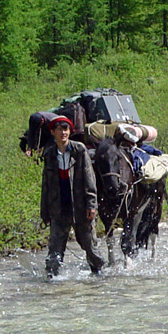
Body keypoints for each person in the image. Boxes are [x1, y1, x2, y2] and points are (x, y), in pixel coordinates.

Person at [39, 114, 105, 278]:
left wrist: (92, 205)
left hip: (81, 207)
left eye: (66, 129)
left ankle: (100, 275)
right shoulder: (49, 154)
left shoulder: (79, 150)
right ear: (53, 132)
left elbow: (90, 179)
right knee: (55, 249)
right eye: (60, 129)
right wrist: (44, 211)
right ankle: (52, 280)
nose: (63, 133)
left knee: (89, 246)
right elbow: (45, 185)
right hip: (58, 207)